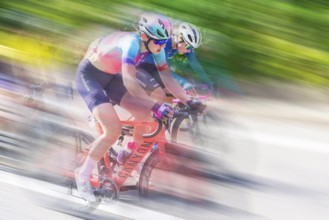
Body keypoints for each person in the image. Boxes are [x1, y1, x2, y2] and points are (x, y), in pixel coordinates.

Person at [74, 12, 199, 202]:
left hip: (111, 77)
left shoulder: (155, 46)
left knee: (147, 118)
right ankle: (82, 176)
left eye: (164, 41)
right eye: (157, 41)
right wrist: (155, 105)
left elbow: (168, 78)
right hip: (91, 76)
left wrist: (188, 102)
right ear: (144, 36)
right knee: (113, 130)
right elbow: (129, 80)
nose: (161, 46)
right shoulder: (131, 43)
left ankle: (127, 156)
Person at [136, 22, 213, 101]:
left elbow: (195, 64)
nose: (189, 50)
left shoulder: (183, 45)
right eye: (189, 46)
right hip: (143, 68)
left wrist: (208, 82)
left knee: (176, 96)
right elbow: (165, 72)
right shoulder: (164, 44)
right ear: (180, 38)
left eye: (192, 48)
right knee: (167, 95)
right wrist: (184, 83)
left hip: (155, 70)